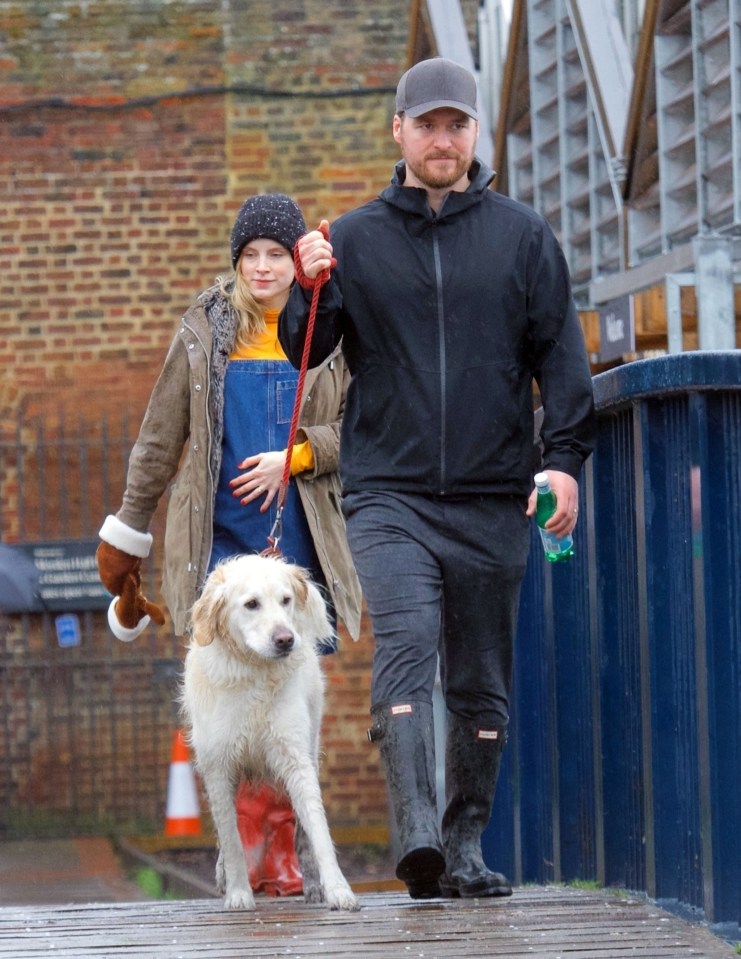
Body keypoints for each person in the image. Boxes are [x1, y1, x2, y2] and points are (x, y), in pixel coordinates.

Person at [279, 58, 595, 900]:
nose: (442, 139)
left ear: (474, 133)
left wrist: (562, 462)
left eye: (456, 124)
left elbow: (561, 359)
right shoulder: (351, 238)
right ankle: (416, 835)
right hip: (390, 493)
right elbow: (304, 342)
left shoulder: (523, 237)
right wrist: (306, 286)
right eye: (427, 125)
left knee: (480, 678)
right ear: (399, 132)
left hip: (495, 495)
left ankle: (461, 845)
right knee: (408, 651)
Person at [96, 192, 362, 894]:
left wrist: (298, 456)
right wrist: (131, 524)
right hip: (219, 539)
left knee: (289, 694)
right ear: (236, 263)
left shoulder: (330, 332)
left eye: (278, 254)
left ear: (296, 261)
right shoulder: (201, 333)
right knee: (226, 696)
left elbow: (367, 431)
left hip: (299, 536)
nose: (266, 267)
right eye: (253, 256)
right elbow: (160, 437)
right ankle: (240, 842)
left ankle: (279, 846)